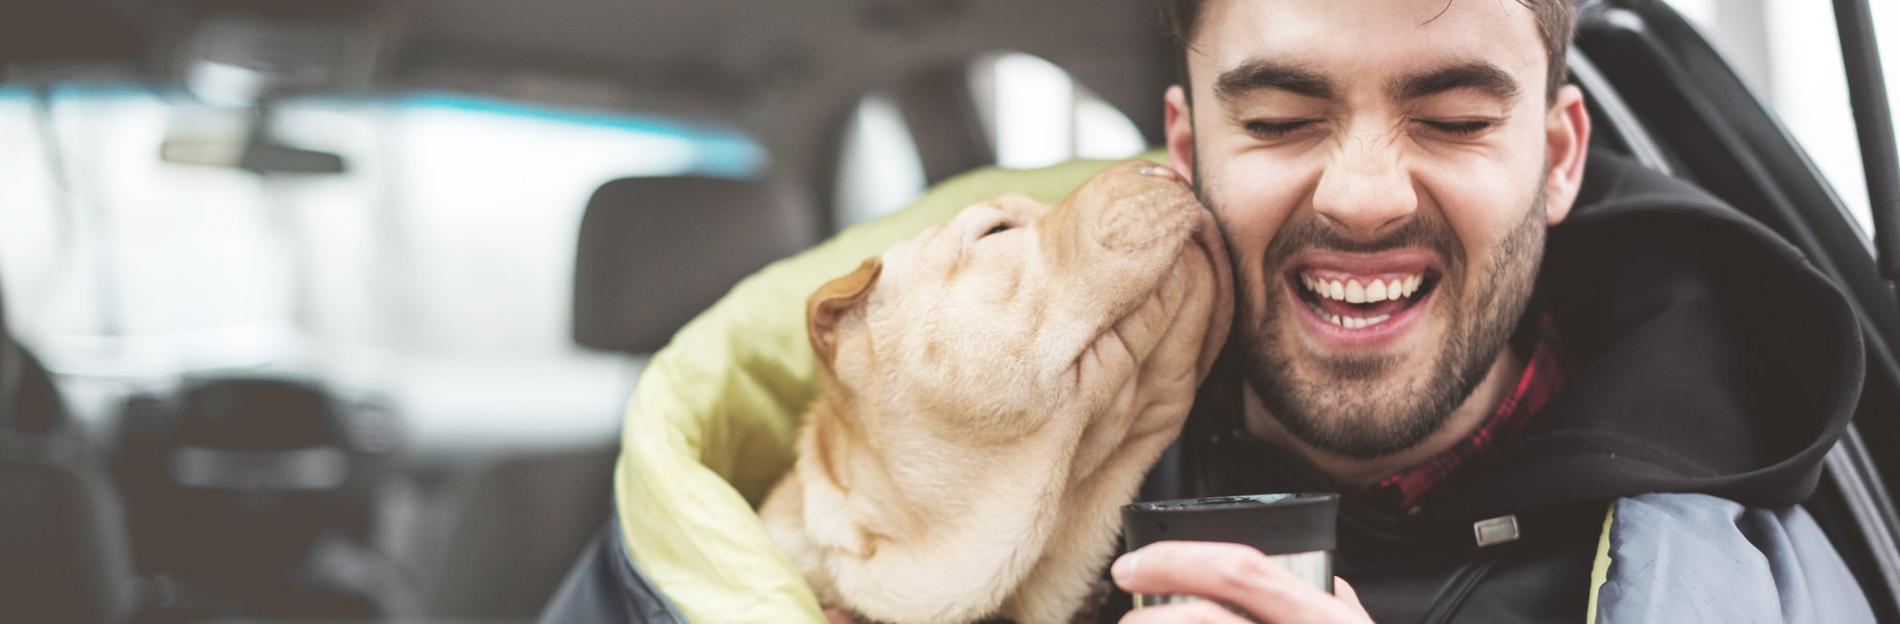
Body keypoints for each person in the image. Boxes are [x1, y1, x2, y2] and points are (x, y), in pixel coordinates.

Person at [542, 1, 1877, 622]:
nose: (1360, 196)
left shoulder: (1780, 544)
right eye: (1284, 117)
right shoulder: (880, 508)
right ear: (1184, 150)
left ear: (1562, 152)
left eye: (1455, 115)